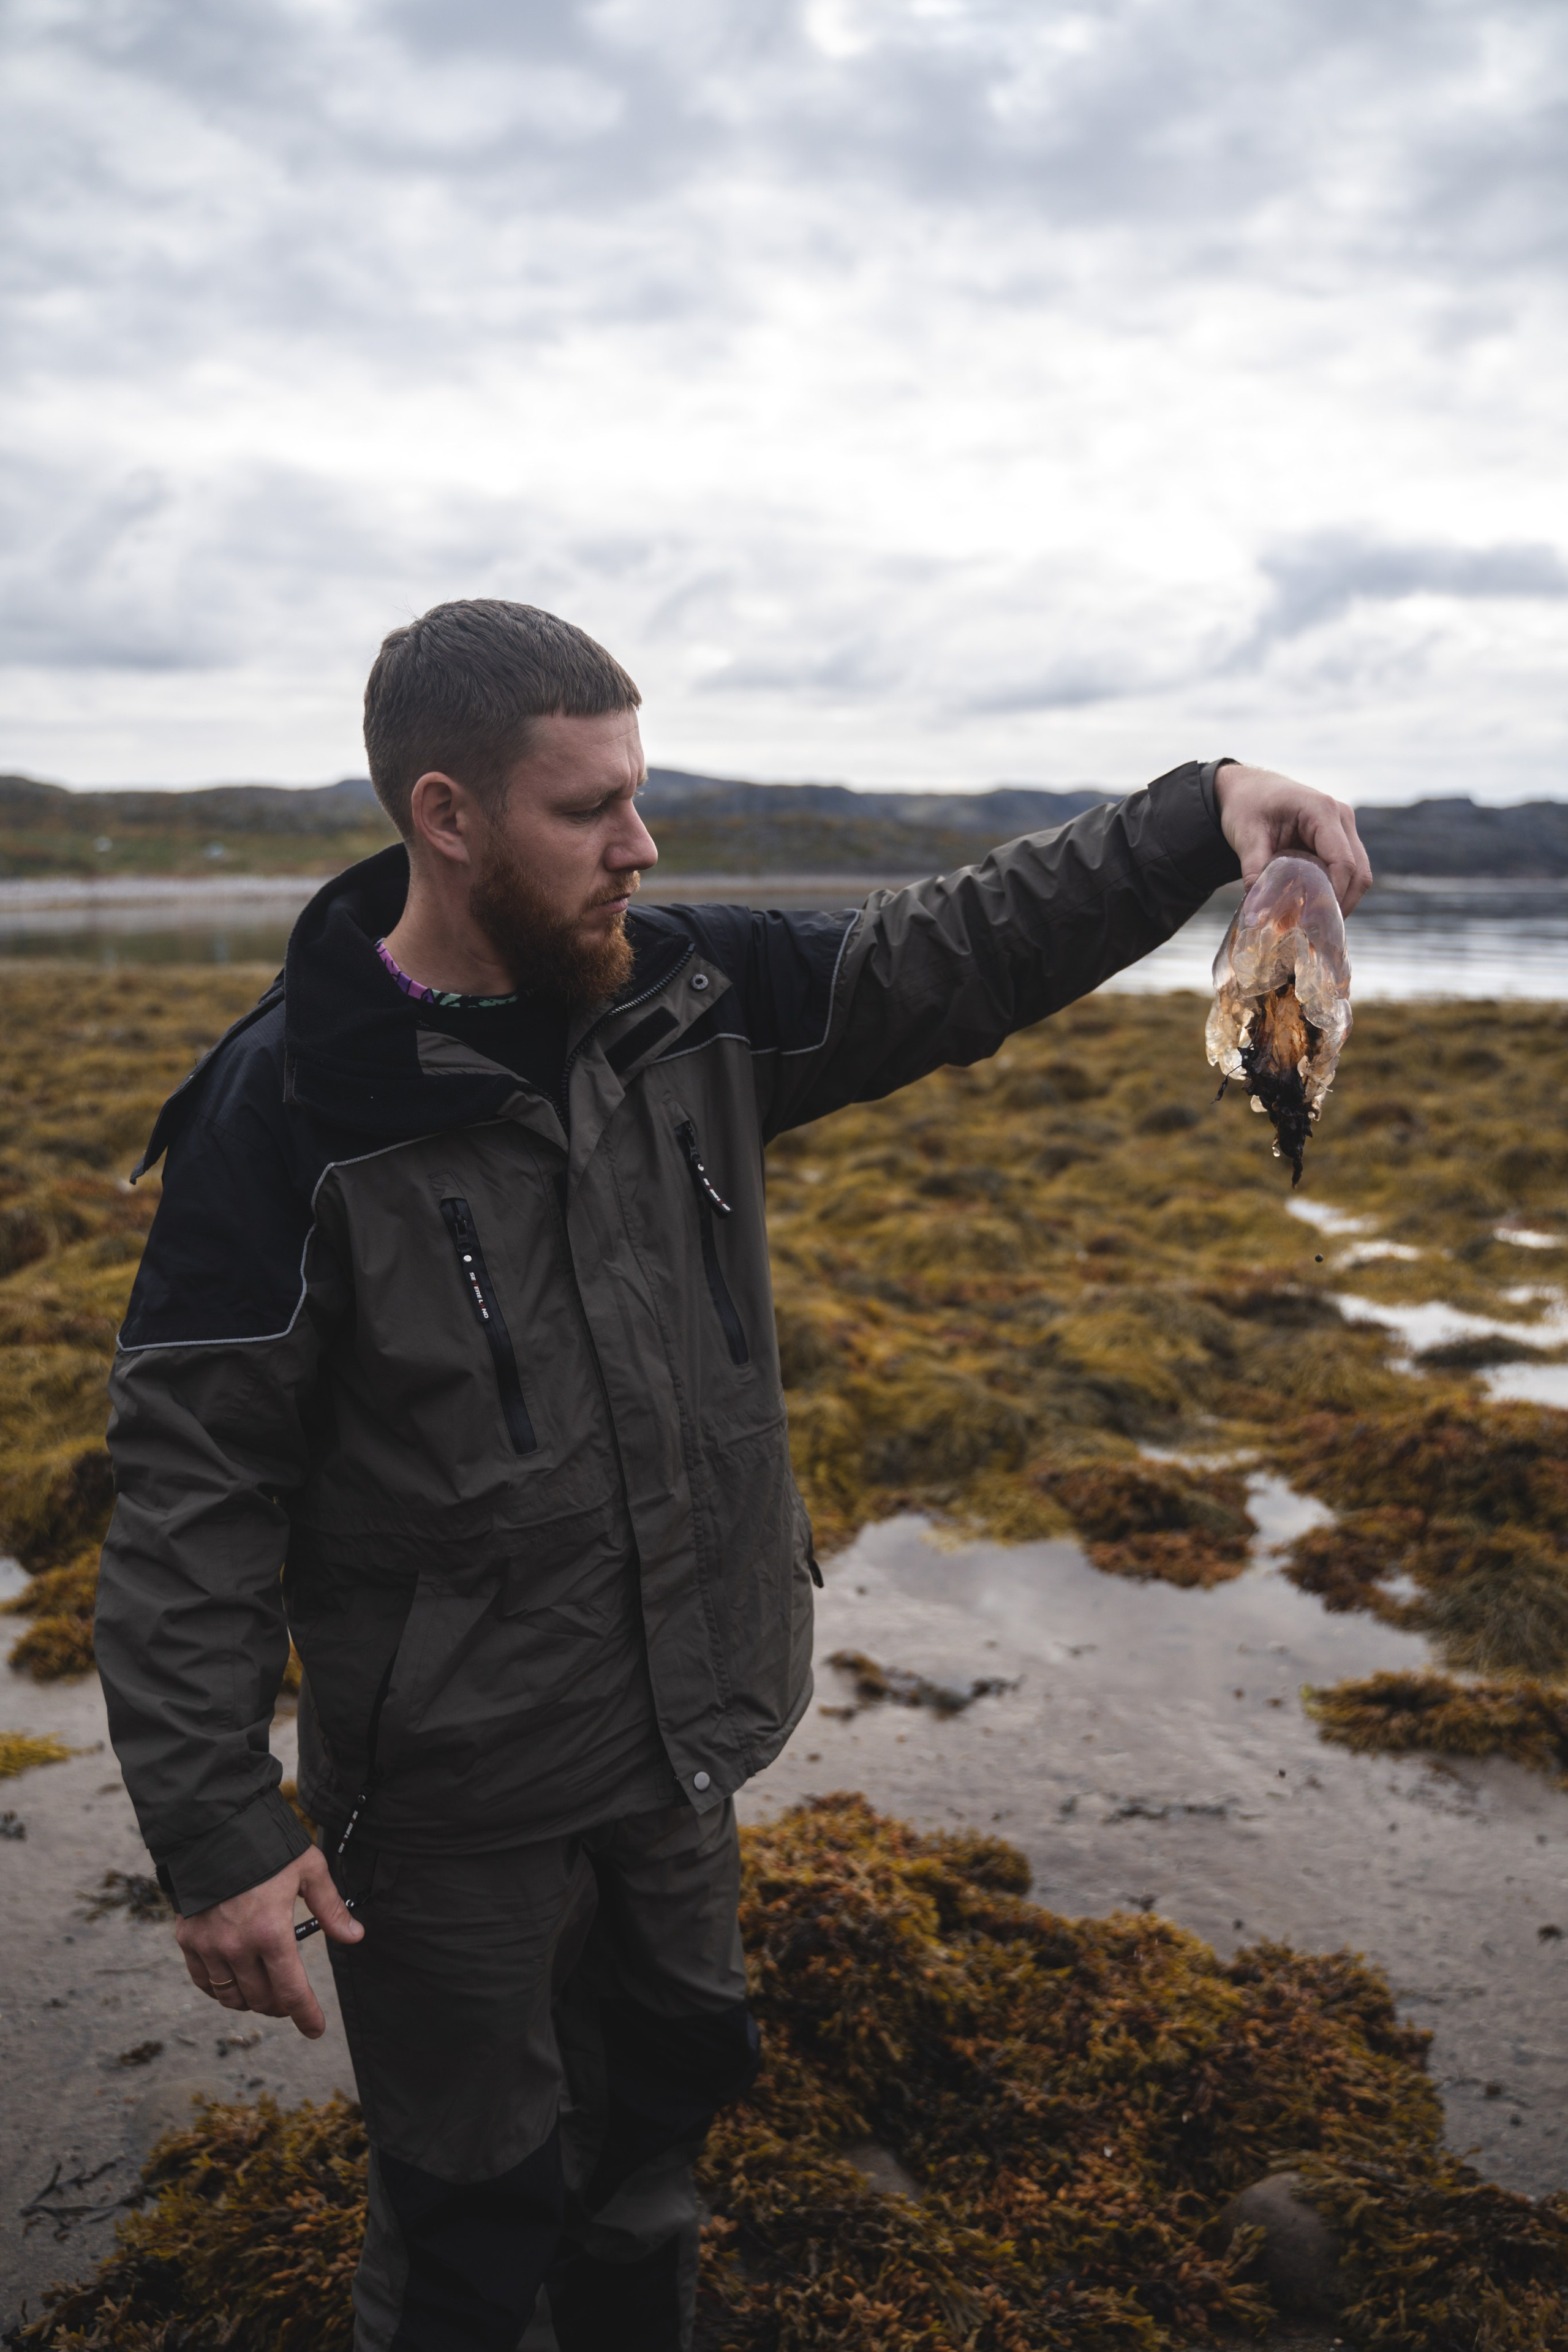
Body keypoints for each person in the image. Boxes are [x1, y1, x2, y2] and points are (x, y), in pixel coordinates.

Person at [95, 598, 1371, 2352]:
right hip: (452, 1800)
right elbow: (191, 1495)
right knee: (471, 2216)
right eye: (587, 809)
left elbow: (960, 946)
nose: (643, 843)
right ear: (446, 816)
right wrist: (220, 1832)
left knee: (658, 2140)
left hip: (683, 1741)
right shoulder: (286, 1112)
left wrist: (1199, 809)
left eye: (642, 790)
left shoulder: (684, 1000)